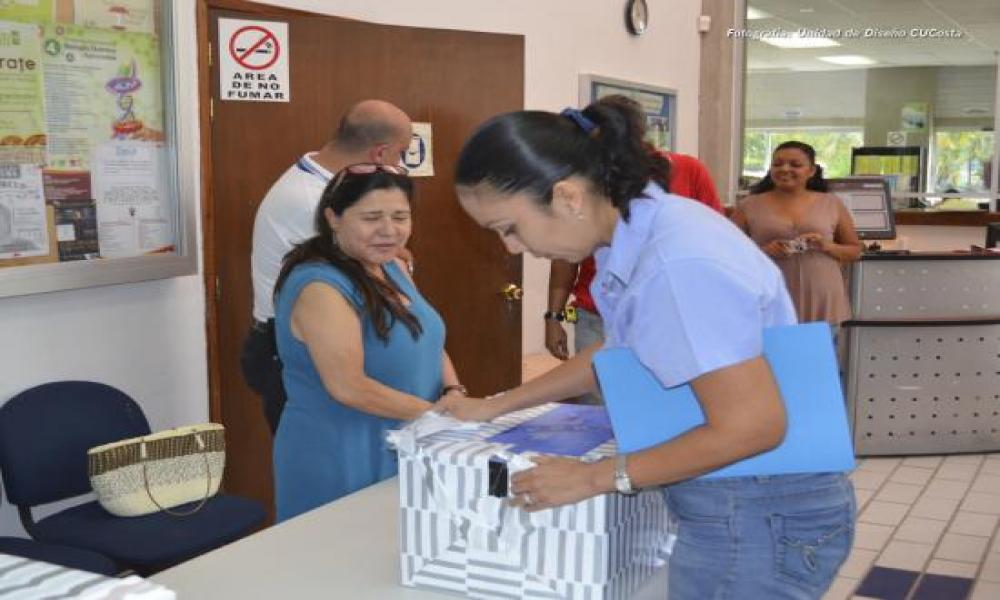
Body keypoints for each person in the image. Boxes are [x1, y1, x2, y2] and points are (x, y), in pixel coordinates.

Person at [439, 103, 854, 599]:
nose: (511, 248)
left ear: (567, 197)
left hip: (758, 508)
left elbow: (754, 426)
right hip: (742, 497)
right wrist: (495, 406)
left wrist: (592, 478)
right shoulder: (642, 229)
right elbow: (619, 352)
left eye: (509, 228)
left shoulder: (676, 262)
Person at [271, 166, 464, 522]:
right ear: (334, 218)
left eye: (400, 217)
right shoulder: (320, 286)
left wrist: (454, 391)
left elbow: (427, 337)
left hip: (409, 435)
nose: (389, 230)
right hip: (344, 450)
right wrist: (438, 415)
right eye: (372, 218)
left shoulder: (392, 266)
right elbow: (348, 386)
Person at [242, 100, 414, 434]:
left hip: (325, 336)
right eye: (401, 153)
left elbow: (391, 260)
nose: (401, 164)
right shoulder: (311, 200)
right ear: (380, 154)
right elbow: (383, 265)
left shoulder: (323, 179)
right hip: (295, 347)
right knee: (325, 446)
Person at [545, 95, 723, 406]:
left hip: (672, 315)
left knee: (659, 409)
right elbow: (566, 256)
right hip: (598, 315)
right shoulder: (584, 184)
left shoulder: (686, 175)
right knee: (601, 409)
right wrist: (553, 315)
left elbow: (713, 242)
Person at [730, 141, 862, 329]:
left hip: (821, 299)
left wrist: (827, 246)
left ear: (811, 170)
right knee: (772, 348)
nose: (785, 169)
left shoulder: (831, 203)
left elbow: (855, 251)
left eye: (795, 164)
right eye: (777, 164)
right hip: (769, 295)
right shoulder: (749, 205)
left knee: (816, 348)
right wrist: (763, 251)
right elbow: (727, 251)